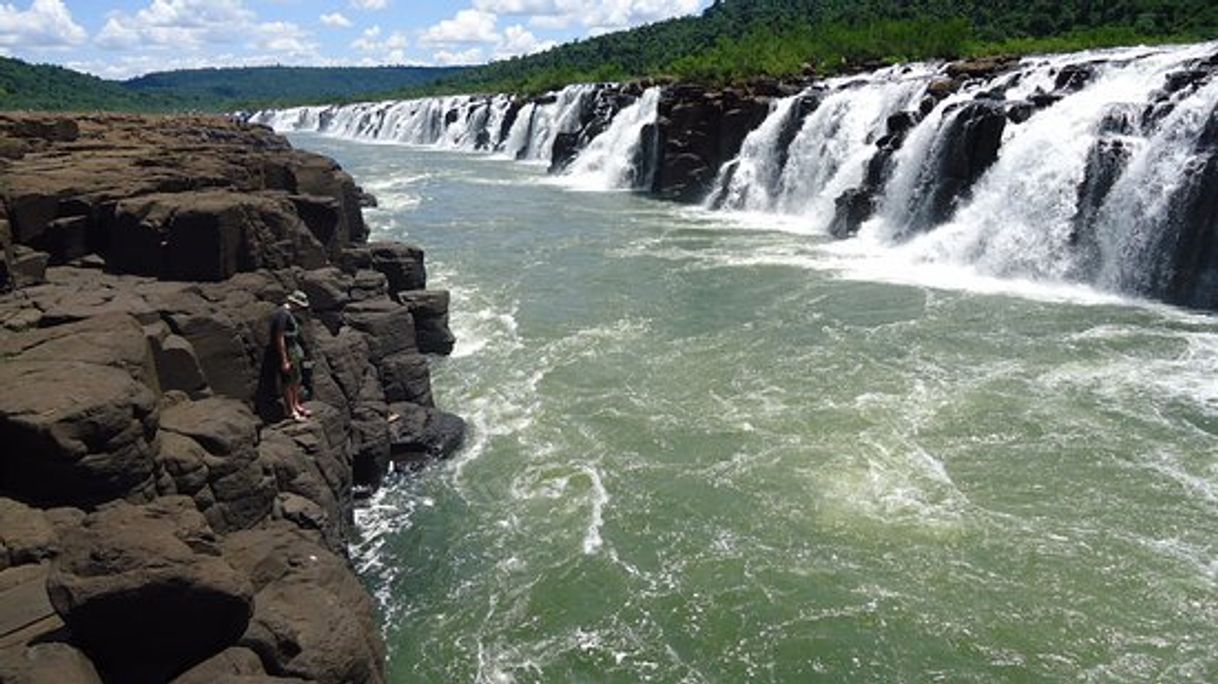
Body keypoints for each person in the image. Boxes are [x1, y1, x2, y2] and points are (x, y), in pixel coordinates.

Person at [271, 290, 311, 422]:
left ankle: (296, 404)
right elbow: (279, 337)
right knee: (287, 381)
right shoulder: (282, 314)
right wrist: (284, 360)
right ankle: (291, 410)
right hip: (287, 351)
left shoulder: (289, 314)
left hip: (294, 351)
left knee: (296, 379)